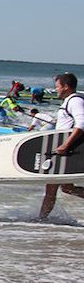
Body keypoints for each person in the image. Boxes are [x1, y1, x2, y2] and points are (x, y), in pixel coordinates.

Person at [39, 73, 84, 219]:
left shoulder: (75, 101)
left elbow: (81, 124)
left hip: (66, 151)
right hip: (65, 150)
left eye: (57, 86)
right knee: (67, 188)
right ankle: (42, 219)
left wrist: (65, 145)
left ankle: (41, 220)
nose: (56, 89)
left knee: (51, 188)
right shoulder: (70, 101)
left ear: (66, 86)